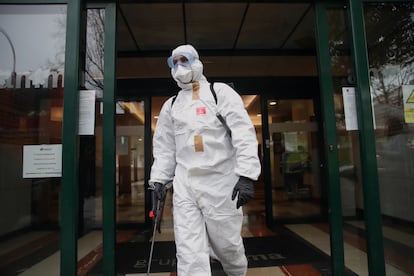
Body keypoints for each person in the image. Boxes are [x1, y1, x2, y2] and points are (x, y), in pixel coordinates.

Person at [149, 44, 261, 276]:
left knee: (227, 247)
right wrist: (159, 181)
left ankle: (237, 273)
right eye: (174, 62)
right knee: (188, 251)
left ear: (196, 61)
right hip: (185, 186)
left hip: (221, 184)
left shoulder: (219, 93)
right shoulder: (171, 106)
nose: (180, 67)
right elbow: (164, 148)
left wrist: (247, 175)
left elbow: (243, 132)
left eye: (185, 60)